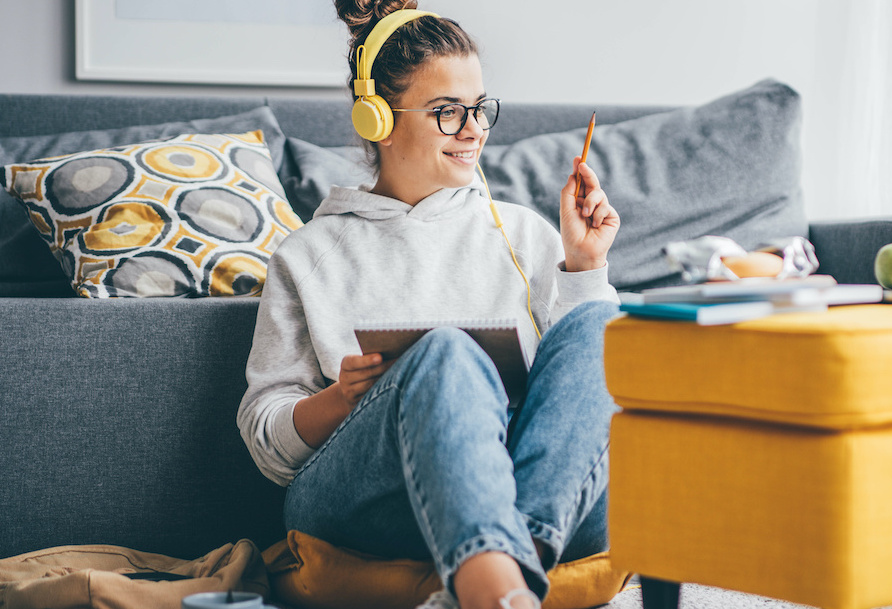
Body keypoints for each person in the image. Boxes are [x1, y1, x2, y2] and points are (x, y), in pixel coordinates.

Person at [236, 1, 622, 608]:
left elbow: (587, 404)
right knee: (446, 353)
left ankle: (506, 573)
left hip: (541, 496)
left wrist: (584, 268)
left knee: (601, 324)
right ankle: (498, 587)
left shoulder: (526, 234)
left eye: (480, 109)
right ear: (377, 119)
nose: (474, 131)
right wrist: (341, 400)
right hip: (378, 501)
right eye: (447, 112)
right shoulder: (310, 255)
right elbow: (267, 448)